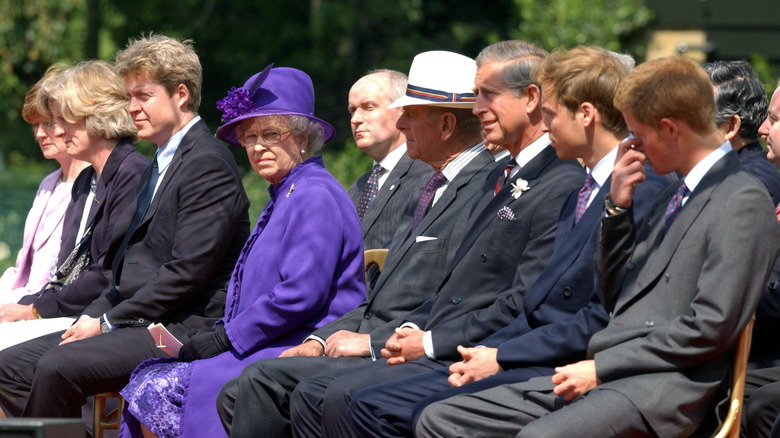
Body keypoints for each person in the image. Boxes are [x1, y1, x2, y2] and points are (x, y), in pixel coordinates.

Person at [415, 56, 779, 438]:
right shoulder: (676, 191)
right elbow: (613, 292)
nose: (630, 146)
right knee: (440, 419)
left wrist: (603, 367)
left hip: (664, 387)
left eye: (638, 134)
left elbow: (710, 328)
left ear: (670, 129)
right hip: (609, 366)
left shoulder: (741, 198)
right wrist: (617, 209)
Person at [344, 45, 668, 438]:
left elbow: (598, 310)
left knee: (402, 410)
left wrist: (497, 355)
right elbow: (537, 300)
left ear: (584, 114)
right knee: (354, 399)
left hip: (568, 360)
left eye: (550, 112)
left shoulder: (621, 188)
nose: (545, 125)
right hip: (522, 346)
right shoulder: (585, 185)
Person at [287, 40, 589, 438]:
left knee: (351, 399)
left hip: (487, 349)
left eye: (487, 95)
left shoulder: (560, 181)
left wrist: (426, 342)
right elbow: (455, 286)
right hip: (447, 339)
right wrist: (411, 332)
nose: (477, 107)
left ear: (531, 98)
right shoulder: (502, 178)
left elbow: (522, 299)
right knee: (312, 393)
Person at [216, 50, 499, 438]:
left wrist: (372, 341)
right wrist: (319, 340)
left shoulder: (481, 187)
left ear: (447, 123)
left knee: (274, 384)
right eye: (249, 137)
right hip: (366, 333)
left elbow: (457, 297)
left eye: (410, 114)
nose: (401, 122)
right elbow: (381, 295)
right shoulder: (433, 185)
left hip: (413, 344)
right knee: (243, 388)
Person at [0, 34, 249, 419]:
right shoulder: (160, 162)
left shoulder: (207, 163)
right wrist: (94, 315)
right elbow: (123, 272)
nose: (131, 108)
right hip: (138, 318)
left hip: (181, 329)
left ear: (180, 94)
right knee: (9, 366)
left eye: (143, 96)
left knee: (56, 367)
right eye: (128, 97)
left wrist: (105, 321)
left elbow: (185, 273)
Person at [118, 65, 366, 438]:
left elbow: (301, 293)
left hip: (299, 344)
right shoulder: (286, 191)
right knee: (150, 377)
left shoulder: (314, 193)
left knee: (157, 387)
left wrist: (226, 338)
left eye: (271, 133)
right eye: (249, 137)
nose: (258, 146)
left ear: (303, 136)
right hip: (265, 340)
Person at [0, 60, 149, 350]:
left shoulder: (133, 175)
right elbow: (66, 273)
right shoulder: (87, 180)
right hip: (73, 311)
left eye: (62, 119)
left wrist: (32, 310)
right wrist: (28, 307)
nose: (56, 130)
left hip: (107, 318)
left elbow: (104, 275)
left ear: (96, 116)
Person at [0, 64, 89, 306]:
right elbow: (22, 268)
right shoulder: (49, 183)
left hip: (48, 307)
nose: (39, 134)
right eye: (35, 125)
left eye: (48, 123)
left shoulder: (93, 186)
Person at [347, 69, 432, 249]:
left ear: (403, 110)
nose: (356, 119)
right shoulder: (356, 189)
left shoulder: (429, 176)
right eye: (352, 110)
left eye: (369, 107)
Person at [742, 79, 780, 438]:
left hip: (769, 352)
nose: (763, 129)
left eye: (774, 119)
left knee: (761, 404)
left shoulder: (756, 181)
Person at [703, 60, 780, 204]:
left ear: (731, 126)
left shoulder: (749, 184)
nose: (678, 124)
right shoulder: (718, 172)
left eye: (693, 115)